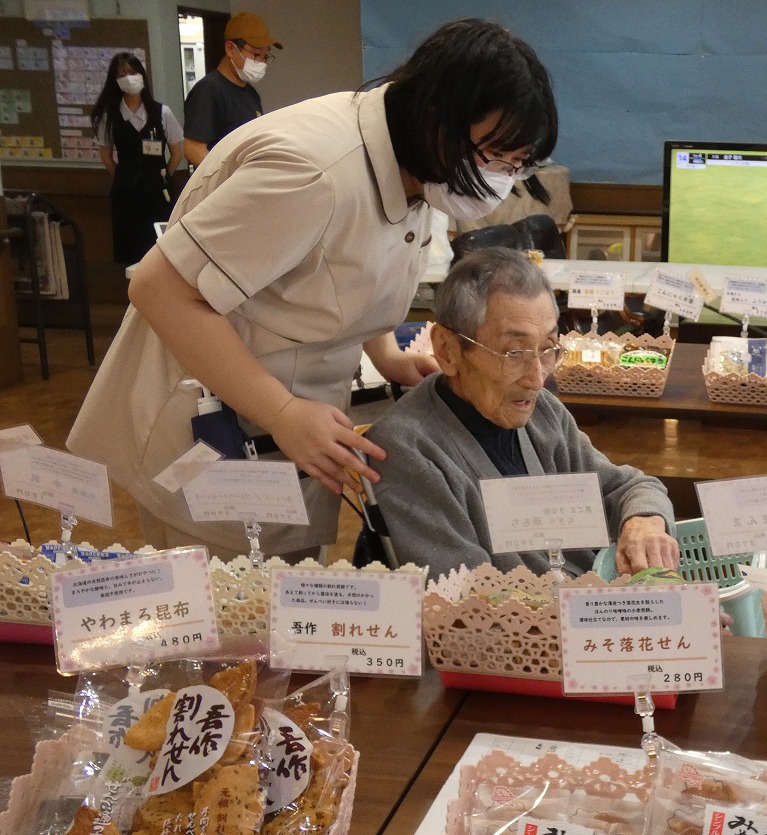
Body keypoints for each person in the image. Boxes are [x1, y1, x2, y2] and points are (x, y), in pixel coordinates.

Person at [68, 18, 558, 561]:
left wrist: (388, 357)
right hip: (210, 431)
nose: (499, 179)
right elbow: (160, 290)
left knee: (288, 589)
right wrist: (280, 410)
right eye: (494, 158)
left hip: (288, 427)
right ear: (437, 118)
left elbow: (346, 270)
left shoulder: (418, 165)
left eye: (517, 166)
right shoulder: (313, 172)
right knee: (233, 603)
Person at [367, 248, 681, 577]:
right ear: (447, 350)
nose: (537, 379)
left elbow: (628, 488)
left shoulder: (544, 413)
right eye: (514, 352)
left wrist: (643, 522)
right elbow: (469, 594)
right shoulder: (406, 451)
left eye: (547, 349)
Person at [89, 52, 183, 266]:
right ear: (115, 80)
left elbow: (176, 154)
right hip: (126, 194)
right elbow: (106, 156)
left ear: (141, 74)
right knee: (131, 250)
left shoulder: (162, 112)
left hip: (158, 192)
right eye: (122, 74)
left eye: (132, 72)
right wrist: (123, 177)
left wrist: (164, 176)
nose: (128, 78)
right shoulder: (110, 115)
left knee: (161, 250)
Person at [182, 11, 280, 168]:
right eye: (256, 54)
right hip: (227, 181)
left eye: (265, 56)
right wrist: (228, 177)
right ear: (230, 49)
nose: (261, 62)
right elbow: (193, 149)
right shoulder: (209, 90)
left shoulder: (251, 94)